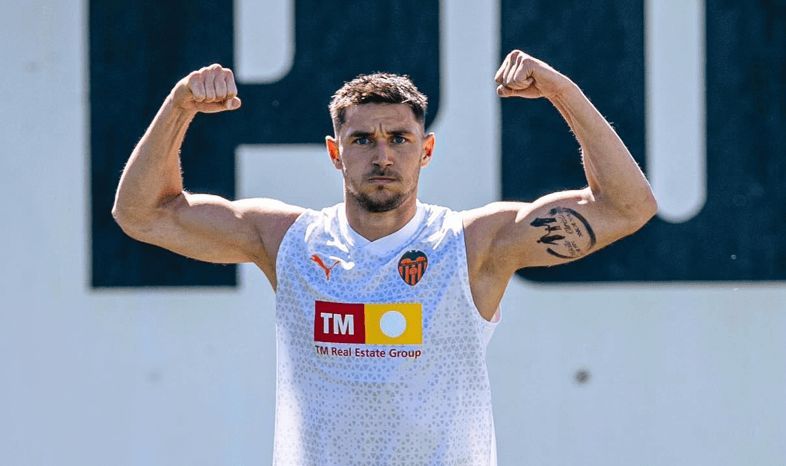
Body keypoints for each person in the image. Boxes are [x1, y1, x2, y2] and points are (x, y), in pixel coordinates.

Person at [113, 50, 657, 465]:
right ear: (335, 152)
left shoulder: (470, 245)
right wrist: (180, 105)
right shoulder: (290, 242)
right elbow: (142, 214)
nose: (382, 156)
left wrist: (562, 91)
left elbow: (626, 207)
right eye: (362, 140)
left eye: (399, 138)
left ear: (426, 149)